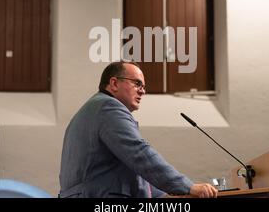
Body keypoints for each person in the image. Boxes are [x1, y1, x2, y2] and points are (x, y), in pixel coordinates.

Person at [59, 61, 218, 198]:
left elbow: (128, 168)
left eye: (143, 86)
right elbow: (139, 154)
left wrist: (163, 194)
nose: (143, 91)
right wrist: (186, 186)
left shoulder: (91, 110)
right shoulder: (108, 107)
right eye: (137, 83)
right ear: (114, 83)